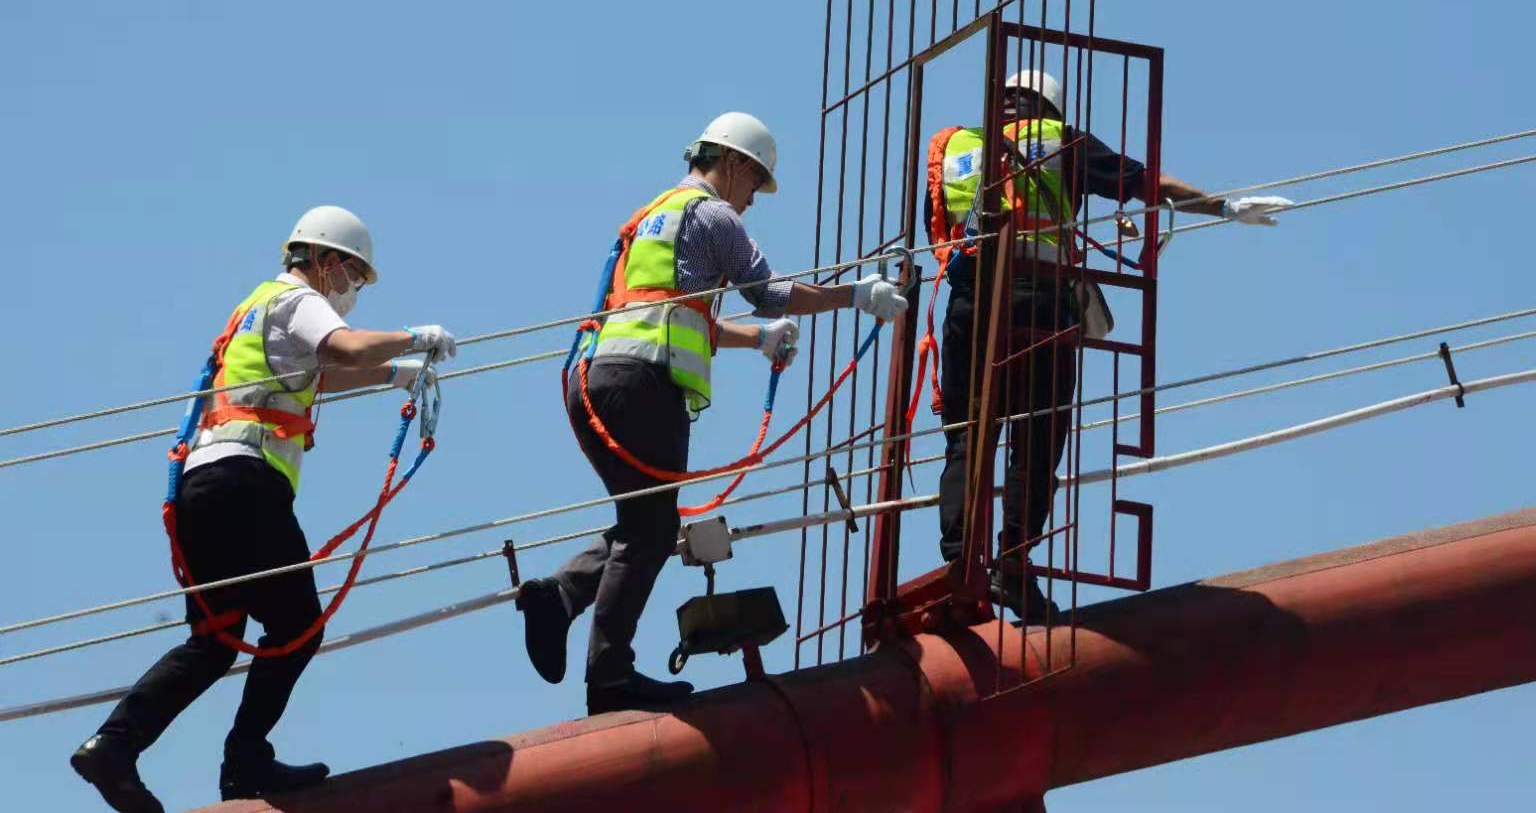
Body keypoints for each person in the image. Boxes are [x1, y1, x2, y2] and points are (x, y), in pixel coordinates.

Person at [70, 206, 460, 813]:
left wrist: (392, 377)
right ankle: (246, 758)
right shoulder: (298, 300)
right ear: (326, 262)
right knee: (298, 626)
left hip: (203, 486)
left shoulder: (256, 309)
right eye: (354, 277)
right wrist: (416, 338)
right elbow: (345, 347)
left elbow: (318, 377)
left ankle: (113, 747)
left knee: (214, 642)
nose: (352, 291)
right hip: (245, 484)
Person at [517, 111, 908, 715]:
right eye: (754, 183)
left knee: (644, 522)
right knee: (651, 529)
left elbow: (675, 314)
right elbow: (771, 292)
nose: (751, 201)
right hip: (644, 387)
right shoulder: (715, 215)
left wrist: (758, 340)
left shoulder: (657, 216)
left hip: (597, 379)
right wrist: (855, 295)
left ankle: (560, 596)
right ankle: (609, 675)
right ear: (732, 163)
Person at [927, 71, 1291, 622]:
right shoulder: (1061, 141)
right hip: (1036, 302)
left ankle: (960, 564)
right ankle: (1012, 564)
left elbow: (938, 230)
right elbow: (1146, 183)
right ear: (1050, 107)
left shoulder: (955, 146)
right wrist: (1222, 207)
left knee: (967, 438)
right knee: (1038, 436)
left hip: (968, 303)